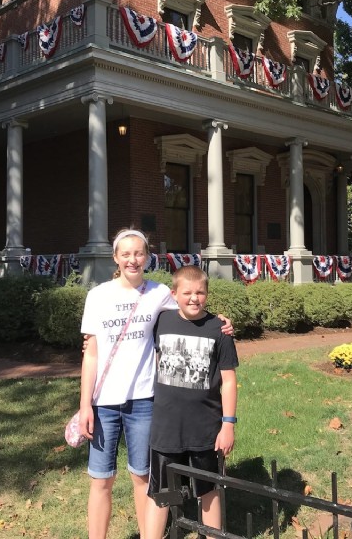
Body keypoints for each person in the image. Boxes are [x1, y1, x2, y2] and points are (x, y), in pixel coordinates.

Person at [78, 229, 232, 539]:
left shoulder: (159, 292)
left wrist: (220, 321)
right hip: (103, 402)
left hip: (144, 401)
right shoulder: (98, 296)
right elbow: (91, 354)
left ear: (147, 257)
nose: (132, 259)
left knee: (142, 476)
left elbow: (191, 305)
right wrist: (85, 405)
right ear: (116, 258)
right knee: (100, 480)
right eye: (126, 254)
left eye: (139, 253)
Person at [144, 265, 238, 539]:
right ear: (174, 294)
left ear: (207, 294)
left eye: (200, 293)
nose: (194, 298)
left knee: (208, 490)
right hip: (166, 427)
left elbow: (229, 381)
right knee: (161, 492)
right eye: (187, 293)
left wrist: (228, 424)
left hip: (205, 428)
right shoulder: (160, 321)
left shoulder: (219, 329)